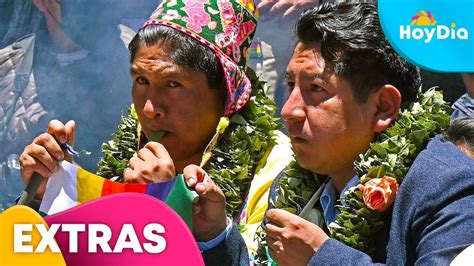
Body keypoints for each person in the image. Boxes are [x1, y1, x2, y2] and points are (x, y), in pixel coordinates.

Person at [189, 2, 474, 265]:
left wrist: (323, 257)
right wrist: (216, 235)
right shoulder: (293, 186)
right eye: (290, 86)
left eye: (316, 89)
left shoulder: (447, 186)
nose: (289, 110)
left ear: (383, 108)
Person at [18, 0, 293, 263]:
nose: (149, 109)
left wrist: (163, 207)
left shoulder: (278, 173)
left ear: (227, 94)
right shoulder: (127, 146)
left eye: (173, 84)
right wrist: (51, 192)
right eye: (141, 80)